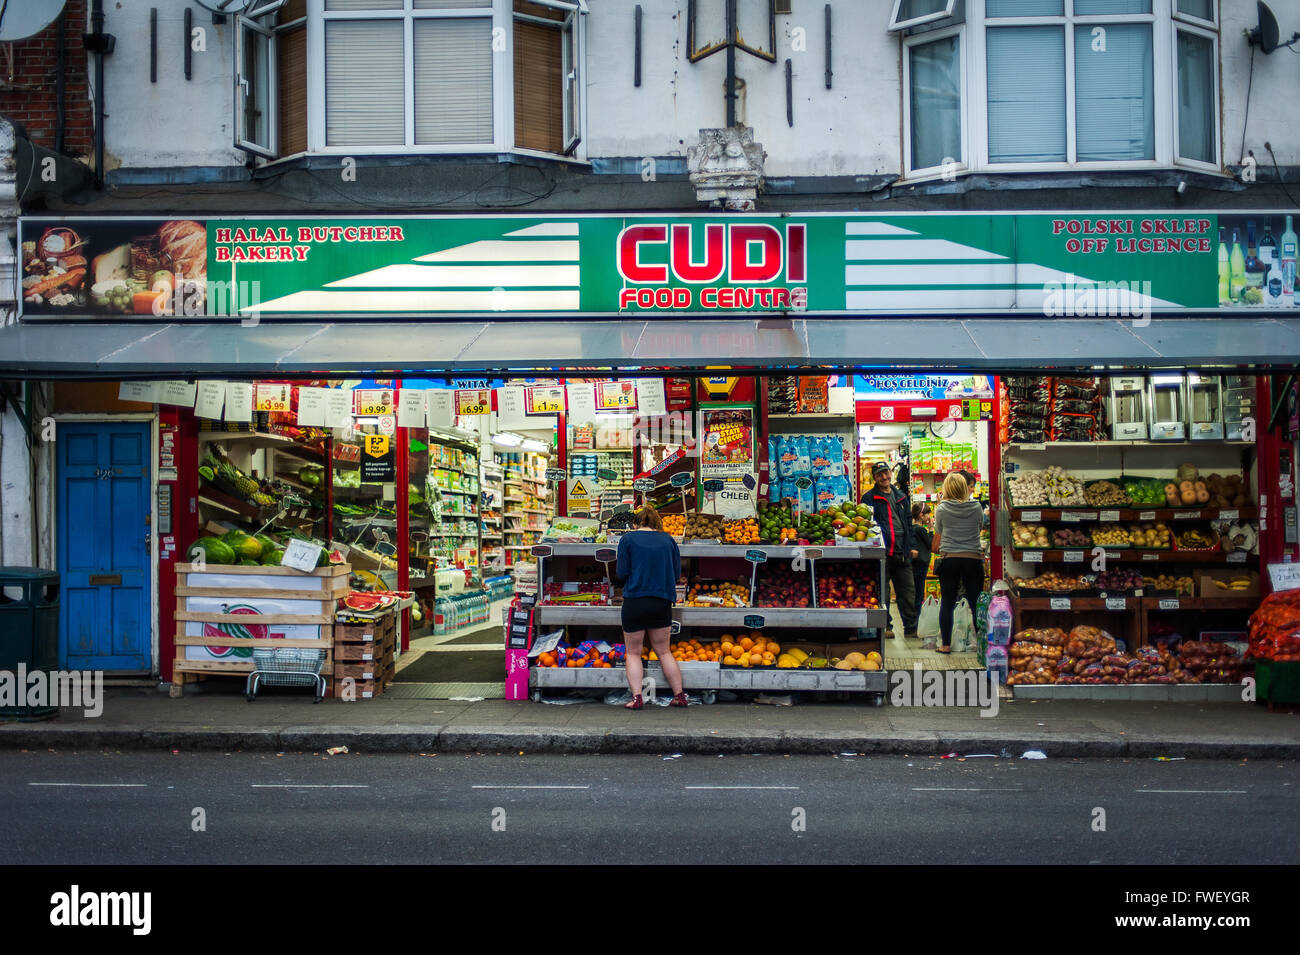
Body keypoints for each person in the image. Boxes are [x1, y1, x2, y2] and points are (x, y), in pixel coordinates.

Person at [615, 506, 687, 709]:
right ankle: (679, 695)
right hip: (661, 601)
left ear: (636, 523)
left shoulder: (627, 539)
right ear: (657, 523)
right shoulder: (668, 540)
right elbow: (675, 574)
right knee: (664, 651)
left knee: (633, 652)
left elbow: (621, 572)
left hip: (635, 602)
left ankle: (637, 698)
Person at [861, 461, 917, 639]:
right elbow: (866, 525)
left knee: (908, 592)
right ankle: (885, 627)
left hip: (902, 552)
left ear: (890, 474)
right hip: (881, 553)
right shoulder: (869, 498)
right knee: (882, 593)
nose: (884, 477)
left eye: (886, 473)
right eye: (880, 475)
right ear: (875, 478)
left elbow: (908, 522)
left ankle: (911, 628)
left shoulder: (901, 496)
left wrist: (913, 545)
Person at [931, 472, 985, 654]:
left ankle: (946, 645)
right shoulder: (977, 507)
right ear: (964, 488)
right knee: (974, 601)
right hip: (973, 558)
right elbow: (979, 528)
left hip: (949, 559)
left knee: (947, 601)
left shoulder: (942, 509)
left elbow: (939, 530)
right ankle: (980, 645)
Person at [910, 502, 933, 617]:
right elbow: (931, 544)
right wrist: (931, 529)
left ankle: (914, 616)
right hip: (921, 564)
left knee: (914, 592)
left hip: (914, 564)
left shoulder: (912, 528)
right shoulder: (921, 530)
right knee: (919, 593)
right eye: (927, 514)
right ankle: (917, 618)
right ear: (921, 515)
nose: (929, 516)